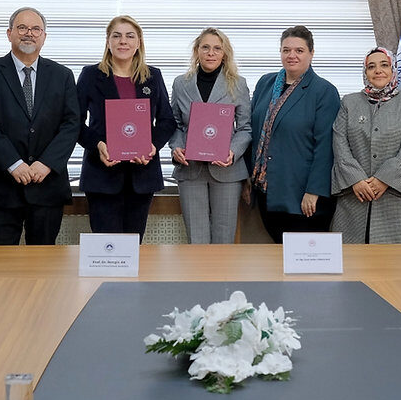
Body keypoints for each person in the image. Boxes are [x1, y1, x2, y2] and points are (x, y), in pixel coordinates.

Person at [0, 7, 80, 245]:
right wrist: (14, 164)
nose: (28, 33)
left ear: (44, 36)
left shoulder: (62, 75)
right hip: (4, 186)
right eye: (22, 28)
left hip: (47, 185)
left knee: (43, 267)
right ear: (9, 33)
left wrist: (46, 163)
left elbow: (71, 124)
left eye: (35, 29)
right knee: (0, 266)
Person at [77, 15, 176, 239]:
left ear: (138, 42)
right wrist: (98, 145)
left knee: (133, 248)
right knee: (107, 247)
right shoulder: (91, 75)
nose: (123, 41)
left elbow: (167, 120)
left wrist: (152, 146)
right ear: (108, 41)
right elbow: (74, 122)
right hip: (102, 174)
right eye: (117, 36)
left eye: (130, 36)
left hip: (142, 176)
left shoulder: (153, 76)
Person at [247, 25, 340, 243]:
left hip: (303, 196)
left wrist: (314, 191)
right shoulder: (265, 83)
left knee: (304, 263)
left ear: (311, 53)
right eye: (286, 50)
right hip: (267, 190)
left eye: (299, 50)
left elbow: (326, 146)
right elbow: (252, 130)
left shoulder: (324, 91)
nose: (292, 55)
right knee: (279, 256)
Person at [331, 47, 401, 243]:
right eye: (371, 67)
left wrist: (383, 179)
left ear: (393, 70)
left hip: (395, 196)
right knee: (349, 262)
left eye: (384, 65)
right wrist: (356, 179)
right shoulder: (349, 102)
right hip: (354, 195)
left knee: (395, 266)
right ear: (365, 73)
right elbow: (339, 141)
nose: (378, 70)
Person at [169, 28, 252, 243]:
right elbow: (175, 124)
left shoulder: (238, 83)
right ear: (197, 51)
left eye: (217, 48)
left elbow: (245, 128)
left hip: (226, 171)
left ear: (225, 53)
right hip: (190, 169)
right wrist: (176, 147)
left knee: (224, 238)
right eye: (205, 47)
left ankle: (222, 278)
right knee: (196, 239)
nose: (211, 53)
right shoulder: (180, 83)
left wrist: (232, 152)